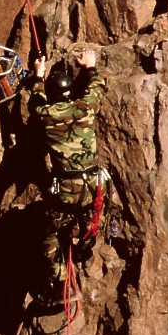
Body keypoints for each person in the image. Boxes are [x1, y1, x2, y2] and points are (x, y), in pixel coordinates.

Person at [30, 49, 107, 307]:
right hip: (94, 183)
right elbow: (96, 89)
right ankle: (86, 240)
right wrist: (89, 67)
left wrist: (38, 76)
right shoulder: (86, 108)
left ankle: (62, 285)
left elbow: (36, 102)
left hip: (67, 189)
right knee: (88, 213)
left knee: (49, 233)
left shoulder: (47, 115)